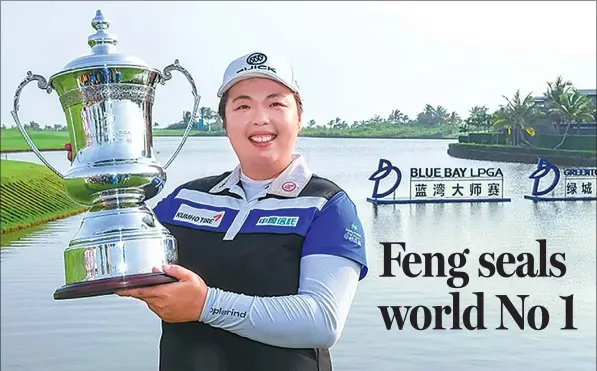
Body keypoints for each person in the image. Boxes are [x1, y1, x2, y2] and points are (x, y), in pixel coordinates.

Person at [65, 50, 368, 371]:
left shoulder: (327, 205)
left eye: (276, 103)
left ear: (299, 118)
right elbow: (128, 259)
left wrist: (205, 305)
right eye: (243, 105)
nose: (260, 117)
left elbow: (322, 321)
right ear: (224, 122)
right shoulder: (186, 199)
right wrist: (101, 170)